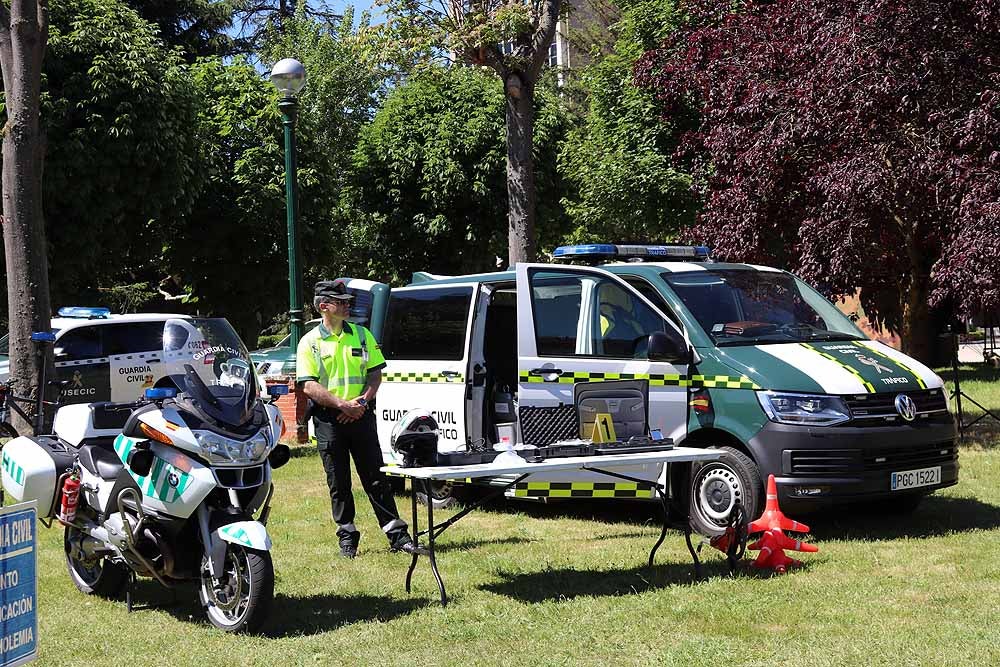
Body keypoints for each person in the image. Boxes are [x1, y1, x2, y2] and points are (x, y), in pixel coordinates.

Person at [296, 279, 416, 558]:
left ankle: (397, 536)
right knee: (339, 482)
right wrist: (341, 405)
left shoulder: (362, 335)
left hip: (360, 415)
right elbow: (308, 385)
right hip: (329, 420)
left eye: (348, 301)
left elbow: (375, 374)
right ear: (324, 307)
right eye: (341, 302)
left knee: (376, 478)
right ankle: (347, 538)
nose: (348, 305)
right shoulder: (309, 343)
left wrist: (360, 403)